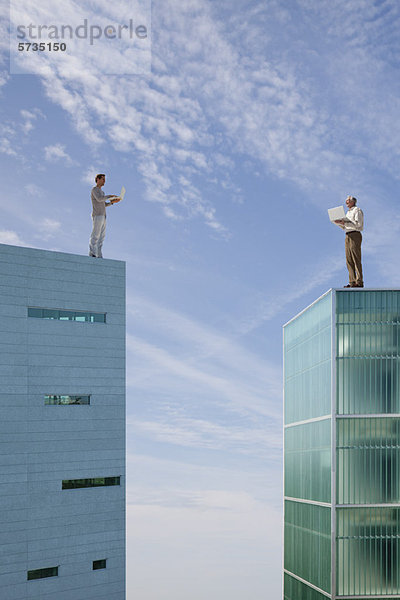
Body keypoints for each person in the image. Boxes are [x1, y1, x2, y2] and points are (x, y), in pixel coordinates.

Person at [334, 195, 364, 288]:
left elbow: (358, 225)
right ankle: (352, 281)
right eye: (346, 200)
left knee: (356, 258)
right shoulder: (347, 213)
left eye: (348, 200)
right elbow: (345, 227)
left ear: (353, 201)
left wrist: (346, 222)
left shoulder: (357, 210)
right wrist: (340, 223)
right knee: (349, 259)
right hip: (347, 234)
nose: (346, 202)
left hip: (355, 234)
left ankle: (359, 282)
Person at [89, 174, 120, 258]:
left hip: (103, 216)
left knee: (101, 237)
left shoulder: (102, 192)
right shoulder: (94, 189)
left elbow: (103, 204)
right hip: (97, 215)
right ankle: (92, 253)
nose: (104, 181)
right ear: (98, 179)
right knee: (95, 235)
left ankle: (99, 255)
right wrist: (109, 196)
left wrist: (112, 202)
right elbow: (99, 199)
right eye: (103, 179)